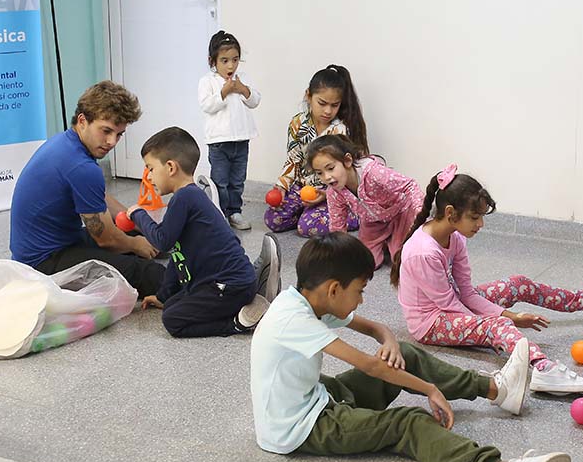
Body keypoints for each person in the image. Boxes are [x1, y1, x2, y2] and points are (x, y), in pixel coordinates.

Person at [250, 232, 573, 462]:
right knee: (408, 423)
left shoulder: (308, 299)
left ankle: (497, 390)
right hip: (303, 428)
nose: (361, 300)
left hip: (319, 397)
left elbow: (376, 329)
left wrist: (390, 342)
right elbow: (371, 366)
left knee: (405, 354)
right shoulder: (295, 320)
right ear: (334, 289)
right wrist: (429, 389)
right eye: (359, 291)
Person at [392, 165, 583, 395]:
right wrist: (502, 321)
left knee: (518, 284)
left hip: (453, 302)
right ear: (450, 213)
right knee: (496, 327)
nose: (481, 224)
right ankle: (542, 369)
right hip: (431, 322)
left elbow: (466, 293)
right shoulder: (423, 252)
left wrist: (510, 316)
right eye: (475, 217)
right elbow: (449, 306)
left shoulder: (455, 236)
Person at [10, 81, 162, 297]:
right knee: (146, 272)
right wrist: (136, 244)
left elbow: (98, 196)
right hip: (43, 263)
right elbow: (106, 239)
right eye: (106, 131)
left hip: (58, 242)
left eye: (119, 134)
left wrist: (137, 221)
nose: (112, 141)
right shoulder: (81, 167)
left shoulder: (66, 143)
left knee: (138, 231)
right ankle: (193, 285)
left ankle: (163, 246)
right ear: (82, 121)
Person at [127, 127, 280, 337]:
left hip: (228, 286)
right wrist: (163, 296)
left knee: (172, 320)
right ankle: (252, 296)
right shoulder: (188, 197)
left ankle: (238, 323)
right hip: (225, 284)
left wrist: (138, 214)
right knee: (171, 305)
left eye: (150, 168)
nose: (148, 176)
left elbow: (162, 241)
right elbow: (177, 259)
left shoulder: (184, 198)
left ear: (170, 167)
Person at [264, 65, 364, 237]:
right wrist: (282, 186)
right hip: (302, 187)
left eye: (334, 105)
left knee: (306, 228)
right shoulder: (298, 123)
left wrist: (326, 195)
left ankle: (357, 215)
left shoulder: (339, 130)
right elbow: (293, 159)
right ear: (308, 96)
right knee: (273, 219)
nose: (328, 111)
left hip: (330, 190)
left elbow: (343, 174)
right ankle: (307, 213)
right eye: (322, 103)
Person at [306, 134, 423, 268]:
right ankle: (387, 241)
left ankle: (393, 240)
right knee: (366, 262)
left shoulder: (374, 173)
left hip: (400, 213)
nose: (326, 177)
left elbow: (410, 185)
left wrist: (420, 213)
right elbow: (337, 226)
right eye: (319, 173)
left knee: (401, 258)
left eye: (330, 168)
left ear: (347, 160)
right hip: (373, 222)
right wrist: (337, 253)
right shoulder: (333, 192)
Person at [197, 30, 260, 231]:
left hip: (241, 140)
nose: (231, 66)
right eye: (224, 61)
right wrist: (223, 92)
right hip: (219, 142)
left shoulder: (243, 79)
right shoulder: (207, 81)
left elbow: (255, 101)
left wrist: (243, 89)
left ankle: (235, 212)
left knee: (237, 180)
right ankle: (220, 213)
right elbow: (207, 105)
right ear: (212, 61)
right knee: (220, 182)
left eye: (235, 59)